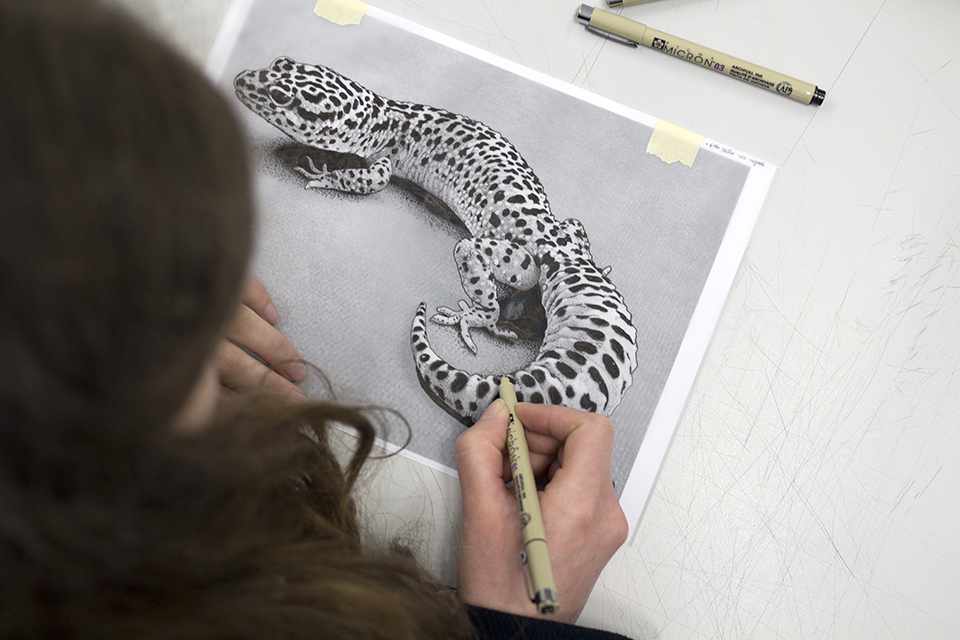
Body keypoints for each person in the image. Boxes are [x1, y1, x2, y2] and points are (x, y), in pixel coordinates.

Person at [0, 1, 630, 638]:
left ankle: (486, 313)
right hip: (555, 247)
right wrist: (515, 626)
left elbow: (373, 176)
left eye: (284, 98)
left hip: (532, 258)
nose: (263, 97)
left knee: (472, 253)